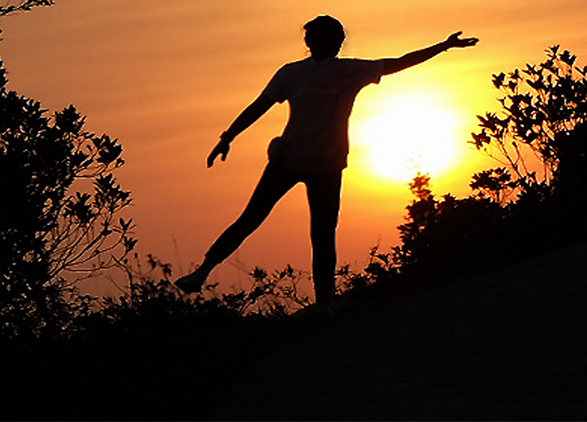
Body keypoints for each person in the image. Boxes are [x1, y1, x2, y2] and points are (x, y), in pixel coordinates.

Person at [173, 16, 479, 304]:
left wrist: (443, 46)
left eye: (327, 37)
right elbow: (259, 107)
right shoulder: (290, 74)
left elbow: (399, 63)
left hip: (328, 166)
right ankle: (203, 271)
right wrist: (228, 136)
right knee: (252, 218)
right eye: (314, 37)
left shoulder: (351, 70)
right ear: (310, 41)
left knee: (322, 232)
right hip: (287, 160)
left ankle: (325, 301)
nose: (320, 42)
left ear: (338, 41)